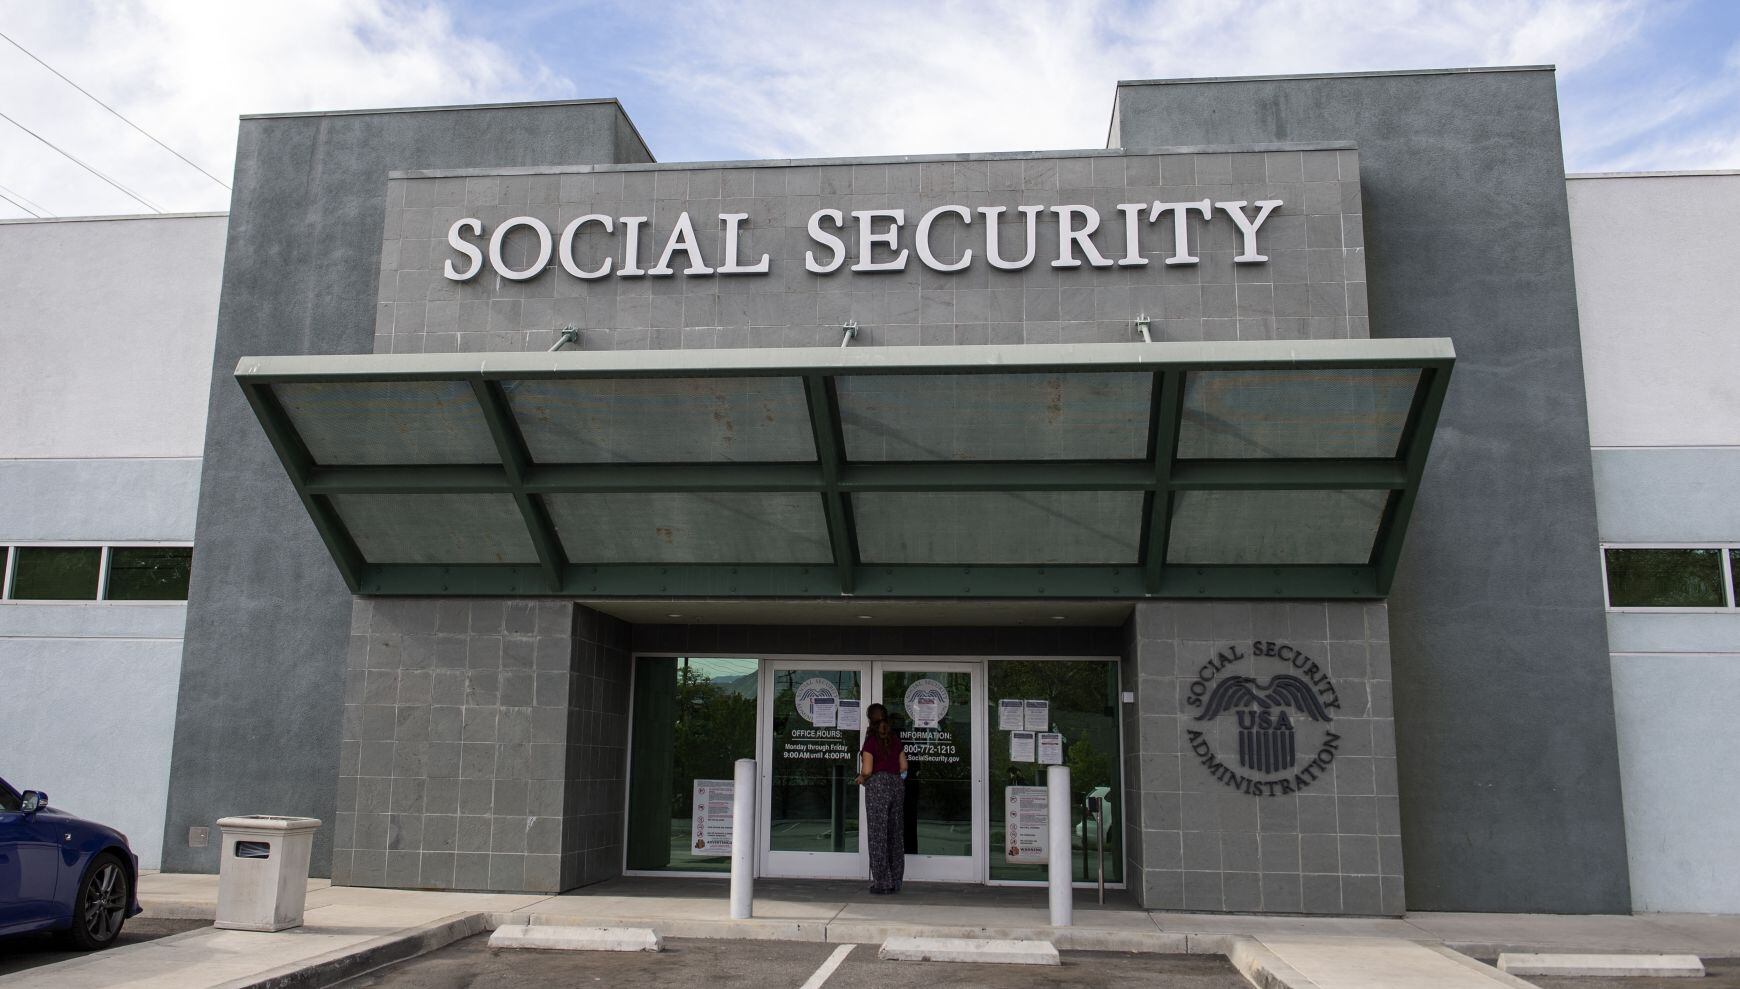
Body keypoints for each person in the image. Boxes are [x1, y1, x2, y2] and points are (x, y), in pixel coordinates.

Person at [855, 702, 907, 895]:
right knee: (895, 834)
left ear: (870, 719)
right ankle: (896, 880)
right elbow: (903, 766)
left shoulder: (870, 742)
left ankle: (882, 883)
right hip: (896, 785)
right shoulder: (895, 739)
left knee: (878, 835)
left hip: (877, 786)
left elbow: (868, 769)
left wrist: (862, 777)